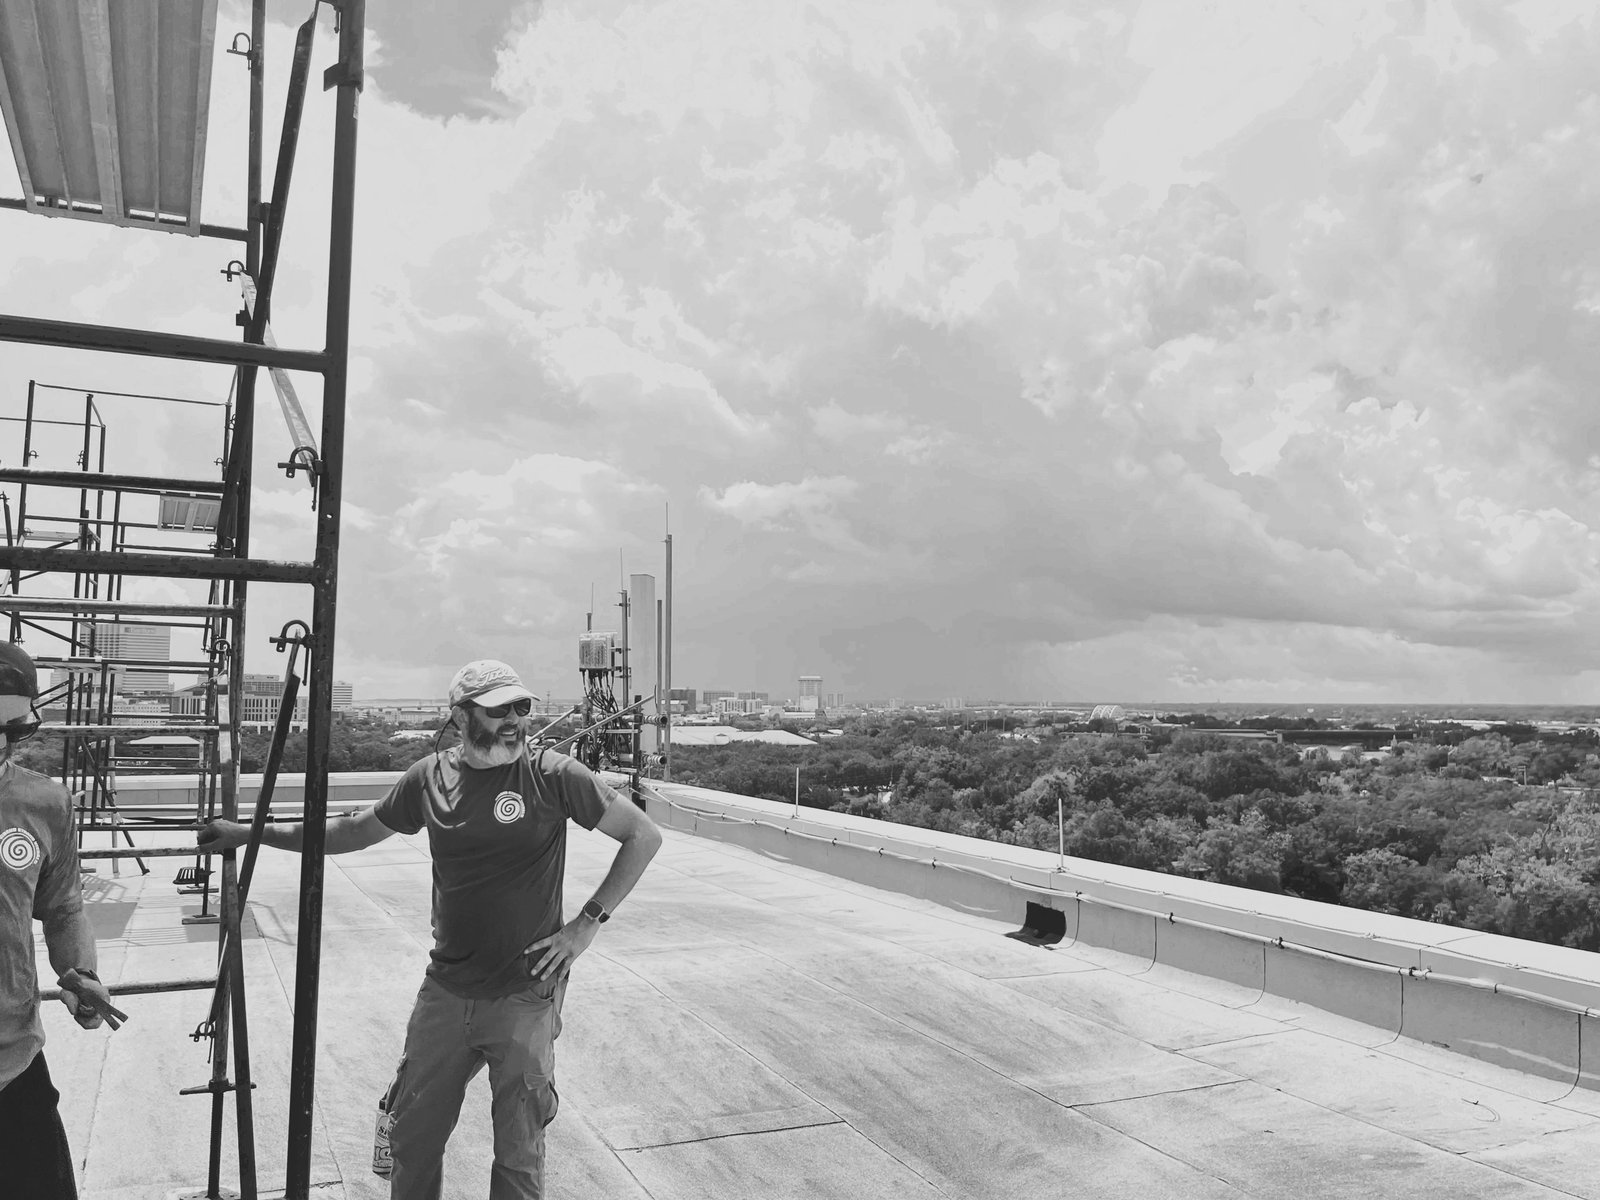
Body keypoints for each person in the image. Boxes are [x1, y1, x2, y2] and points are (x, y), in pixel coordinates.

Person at [200, 658, 661, 1200]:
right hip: (445, 993)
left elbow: (642, 835)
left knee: (518, 1153)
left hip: (524, 995)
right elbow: (351, 832)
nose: (515, 719)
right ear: (461, 717)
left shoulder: (553, 775)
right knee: (412, 1141)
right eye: (498, 709)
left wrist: (587, 924)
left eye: (522, 706)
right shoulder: (429, 778)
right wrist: (250, 833)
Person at [0, 642, 123, 1200]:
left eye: (11, 733)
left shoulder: (43, 802)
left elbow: (64, 905)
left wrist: (78, 971)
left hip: (12, 1057)